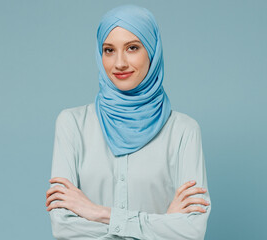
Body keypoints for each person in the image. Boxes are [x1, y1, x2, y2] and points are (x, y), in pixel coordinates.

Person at [45, 4, 211, 240]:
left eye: (132, 48)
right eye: (109, 50)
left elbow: (191, 232)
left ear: (152, 52)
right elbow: (63, 228)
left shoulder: (184, 132)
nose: (119, 63)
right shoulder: (72, 125)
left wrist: (98, 213)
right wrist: (162, 223)